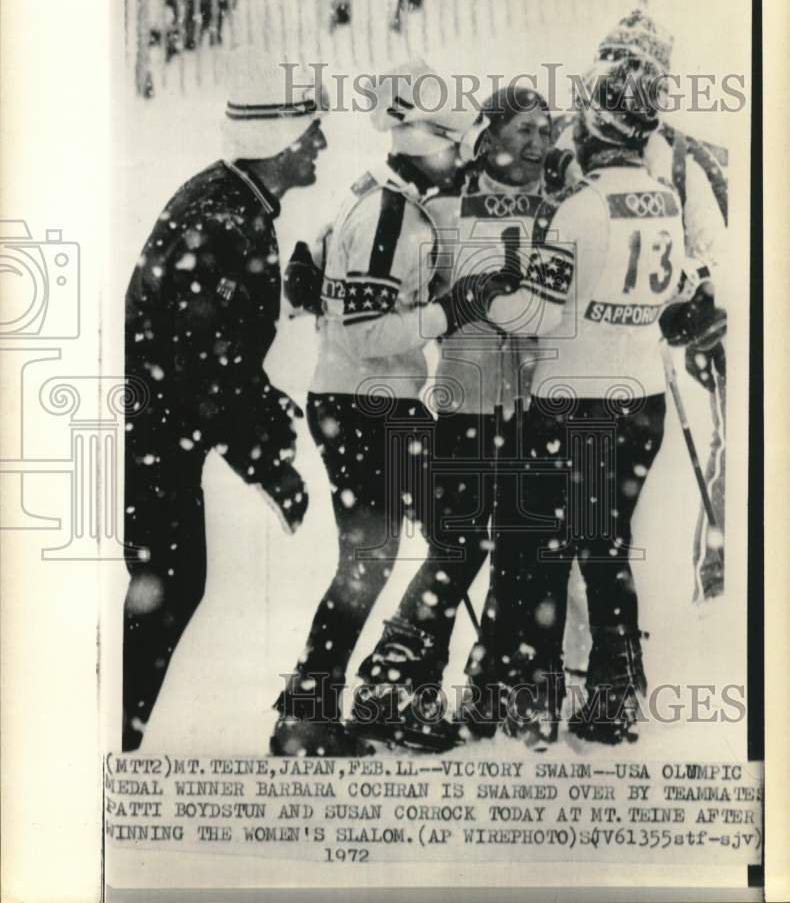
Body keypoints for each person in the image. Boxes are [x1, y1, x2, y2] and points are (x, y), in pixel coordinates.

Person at [477, 56, 726, 748]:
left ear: (593, 121)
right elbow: (676, 291)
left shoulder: (580, 210)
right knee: (606, 545)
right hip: (638, 398)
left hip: (572, 398)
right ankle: (615, 692)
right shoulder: (663, 198)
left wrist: (490, 296)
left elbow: (541, 315)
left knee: (545, 550)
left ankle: (536, 692)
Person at [271, 61, 492, 757]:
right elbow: (368, 335)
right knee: (389, 552)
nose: (463, 160)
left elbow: (315, 271)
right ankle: (336, 703)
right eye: (456, 145)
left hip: (368, 401)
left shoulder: (388, 196)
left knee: (414, 543)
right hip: (366, 401)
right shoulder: (390, 211)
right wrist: (450, 311)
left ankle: (349, 695)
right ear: (428, 141)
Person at [123, 55, 327, 751]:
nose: (322, 146)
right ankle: (116, 740)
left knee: (170, 585)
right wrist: (271, 462)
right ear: (280, 141)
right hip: (155, 427)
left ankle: (122, 733)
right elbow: (208, 371)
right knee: (167, 586)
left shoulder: (235, 203)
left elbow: (221, 355)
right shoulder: (225, 220)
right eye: (313, 133)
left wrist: (265, 407)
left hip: (159, 424)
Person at [349, 85, 558, 749]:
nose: (536, 142)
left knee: (522, 553)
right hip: (464, 406)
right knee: (457, 551)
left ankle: (494, 684)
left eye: (543, 129)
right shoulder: (440, 210)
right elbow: (378, 255)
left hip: (531, 409)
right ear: (486, 140)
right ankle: (395, 681)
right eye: (521, 130)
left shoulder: (559, 209)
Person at [555, 9, 727, 601]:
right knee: (583, 530)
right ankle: (596, 655)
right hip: (582, 354)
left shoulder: (682, 155)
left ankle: (630, 648)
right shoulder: (565, 133)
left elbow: (712, 249)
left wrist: (695, 296)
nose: (630, 73)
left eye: (644, 66)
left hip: (642, 358)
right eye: (619, 59)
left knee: (615, 527)